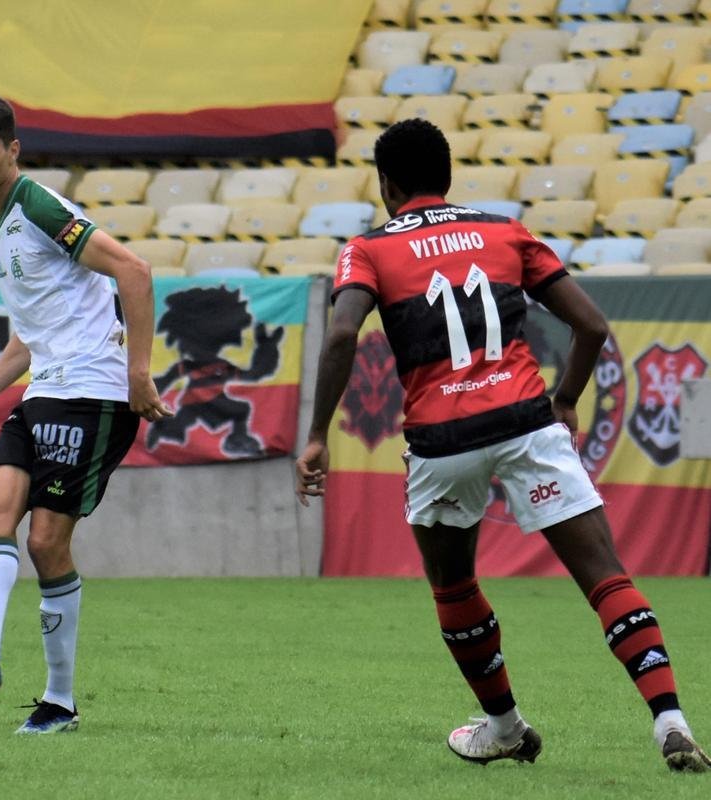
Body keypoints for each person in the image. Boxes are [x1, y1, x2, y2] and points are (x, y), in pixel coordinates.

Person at [294, 118, 710, 772]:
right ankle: (668, 720)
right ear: (447, 177)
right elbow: (591, 326)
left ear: (387, 184)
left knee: (452, 583)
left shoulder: (368, 248)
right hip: (526, 422)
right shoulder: (503, 230)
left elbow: (343, 333)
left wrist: (316, 435)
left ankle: (504, 725)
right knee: (604, 575)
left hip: (441, 440)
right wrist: (566, 399)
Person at [0, 94, 172, 734]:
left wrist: (138, 371)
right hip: (44, 388)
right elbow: (31, 333)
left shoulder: (38, 207)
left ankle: (59, 701)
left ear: (12, 151)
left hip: (93, 392)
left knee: (47, 542)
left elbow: (134, 271)